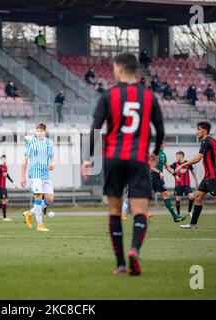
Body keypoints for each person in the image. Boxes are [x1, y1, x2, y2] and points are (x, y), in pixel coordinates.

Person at [81, 52, 165, 276]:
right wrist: (155, 152)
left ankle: (119, 264)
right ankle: (134, 250)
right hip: (138, 159)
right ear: (135, 70)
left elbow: (95, 130)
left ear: (119, 68)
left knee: (115, 211)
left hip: (113, 158)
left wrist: (88, 159)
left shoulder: (108, 95)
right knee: (140, 211)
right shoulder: (148, 96)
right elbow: (160, 129)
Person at [21, 123, 55, 232]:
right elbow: (25, 160)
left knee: (49, 199)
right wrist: (23, 177)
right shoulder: (31, 143)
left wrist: (52, 164)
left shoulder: (49, 142)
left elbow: (52, 156)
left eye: (41, 131)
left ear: (45, 132)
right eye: (38, 131)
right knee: (38, 197)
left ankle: (29, 213)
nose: (39, 133)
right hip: (34, 174)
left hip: (45, 174)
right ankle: (40, 225)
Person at [150, 140, 187, 223]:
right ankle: (175, 216)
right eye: (161, 143)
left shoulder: (163, 154)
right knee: (149, 196)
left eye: (163, 143)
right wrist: (159, 172)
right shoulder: (154, 153)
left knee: (165, 195)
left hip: (159, 177)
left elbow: (168, 167)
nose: (163, 144)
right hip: (153, 176)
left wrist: (175, 175)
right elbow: (150, 167)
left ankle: (175, 216)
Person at [0, 155, 19, 221]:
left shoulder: (5, 167)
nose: (4, 160)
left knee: (6, 201)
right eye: (3, 159)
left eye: (5, 159)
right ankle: (4, 217)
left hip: (4, 187)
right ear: (1, 160)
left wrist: (14, 183)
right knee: (4, 201)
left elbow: (7, 176)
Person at [170, 151, 199, 218]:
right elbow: (169, 168)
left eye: (177, 155)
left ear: (181, 156)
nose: (176, 157)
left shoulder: (187, 163)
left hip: (186, 184)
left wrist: (196, 180)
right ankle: (178, 214)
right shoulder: (175, 164)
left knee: (192, 196)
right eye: (176, 156)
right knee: (178, 199)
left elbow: (193, 172)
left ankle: (189, 212)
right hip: (178, 185)